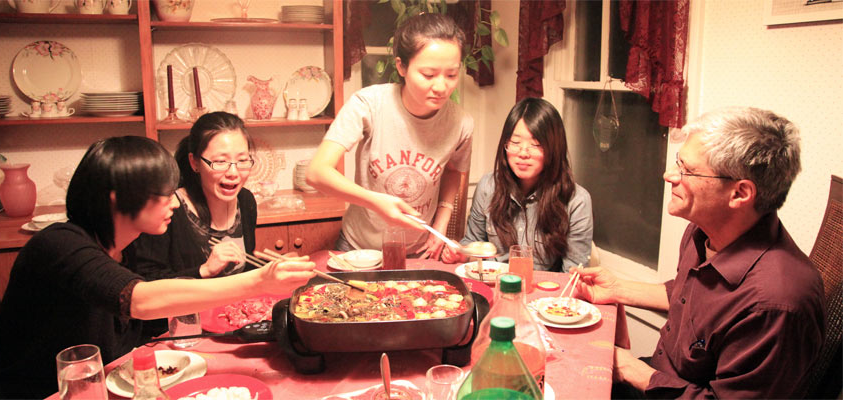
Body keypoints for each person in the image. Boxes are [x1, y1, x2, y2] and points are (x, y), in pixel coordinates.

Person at [0, 136, 315, 399]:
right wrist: (260, 280)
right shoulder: (60, 244)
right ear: (118, 199)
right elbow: (141, 300)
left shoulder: (125, 245)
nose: (174, 202)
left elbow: (157, 302)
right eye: (163, 195)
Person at [572, 107, 825, 398]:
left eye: (687, 170)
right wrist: (619, 289)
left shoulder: (776, 304)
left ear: (740, 193)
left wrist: (629, 369)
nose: (669, 176)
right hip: (660, 378)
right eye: (678, 163)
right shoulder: (704, 231)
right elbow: (693, 294)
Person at [306, 13, 473, 259]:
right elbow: (317, 173)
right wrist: (376, 202)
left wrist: (441, 221)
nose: (441, 87)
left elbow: (452, 171)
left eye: (451, 75)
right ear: (401, 66)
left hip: (418, 251)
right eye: (428, 75)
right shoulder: (369, 104)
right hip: (359, 248)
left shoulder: (461, 123)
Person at [441, 98, 593, 271]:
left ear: (554, 147)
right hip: (493, 286)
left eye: (535, 144)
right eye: (515, 142)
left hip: (542, 293)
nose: (523, 153)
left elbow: (572, 276)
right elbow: (472, 243)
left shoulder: (577, 201)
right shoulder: (488, 187)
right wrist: (461, 253)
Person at [126, 112, 257, 280]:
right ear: (194, 162)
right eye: (220, 162)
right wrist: (203, 270)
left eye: (242, 160)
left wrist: (272, 267)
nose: (233, 172)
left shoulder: (245, 201)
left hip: (235, 305)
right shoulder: (169, 209)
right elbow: (145, 281)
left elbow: (245, 267)